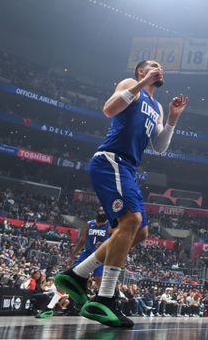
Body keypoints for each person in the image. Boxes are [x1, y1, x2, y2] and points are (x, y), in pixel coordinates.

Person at [55, 60, 188, 328]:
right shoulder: (131, 86)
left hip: (127, 166)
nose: (158, 68)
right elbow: (108, 109)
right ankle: (105, 298)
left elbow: (160, 146)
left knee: (140, 232)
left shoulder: (158, 106)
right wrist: (140, 83)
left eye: (160, 66)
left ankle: (79, 274)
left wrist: (173, 117)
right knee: (131, 222)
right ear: (141, 71)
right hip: (111, 159)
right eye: (152, 65)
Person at [37, 207, 112, 319]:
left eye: (104, 211)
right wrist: (72, 256)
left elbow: (113, 242)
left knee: (99, 282)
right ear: (96, 213)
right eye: (100, 211)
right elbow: (82, 241)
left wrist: (105, 246)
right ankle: (50, 308)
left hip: (100, 255)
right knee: (69, 279)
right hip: (86, 254)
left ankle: (106, 308)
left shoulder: (110, 226)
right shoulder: (89, 224)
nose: (101, 212)